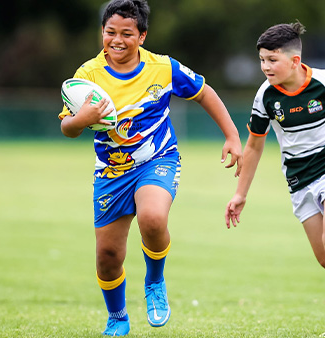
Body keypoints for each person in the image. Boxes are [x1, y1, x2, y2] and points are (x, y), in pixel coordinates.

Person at [58, 0, 242, 336]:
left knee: (153, 218)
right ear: (102, 32)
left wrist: (231, 135)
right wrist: (80, 120)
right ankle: (117, 317)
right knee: (108, 256)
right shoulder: (87, 76)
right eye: (110, 32)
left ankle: (155, 280)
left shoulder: (163, 68)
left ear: (142, 36)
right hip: (111, 173)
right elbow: (67, 128)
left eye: (126, 33)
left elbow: (204, 93)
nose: (117, 39)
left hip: (157, 160)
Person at [225, 21, 325, 337]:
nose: (265, 66)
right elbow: (253, 144)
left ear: (294, 61)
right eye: (262, 60)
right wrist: (240, 194)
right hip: (299, 179)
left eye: (272, 60)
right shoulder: (265, 97)